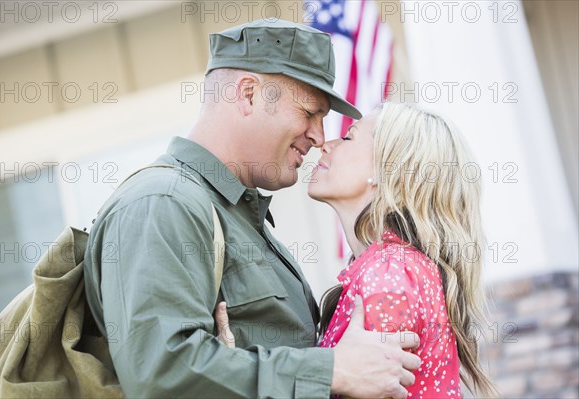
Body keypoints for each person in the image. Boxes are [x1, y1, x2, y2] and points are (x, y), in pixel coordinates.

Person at [83, 19, 420, 398]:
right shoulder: (162, 204)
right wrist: (330, 371)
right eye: (310, 111)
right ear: (248, 95)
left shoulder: (235, 216)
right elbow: (161, 374)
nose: (319, 137)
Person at [218, 102, 499, 398]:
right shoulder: (390, 268)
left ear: (385, 171)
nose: (326, 145)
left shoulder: (389, 277)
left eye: (349, 137)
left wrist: (234, 376)